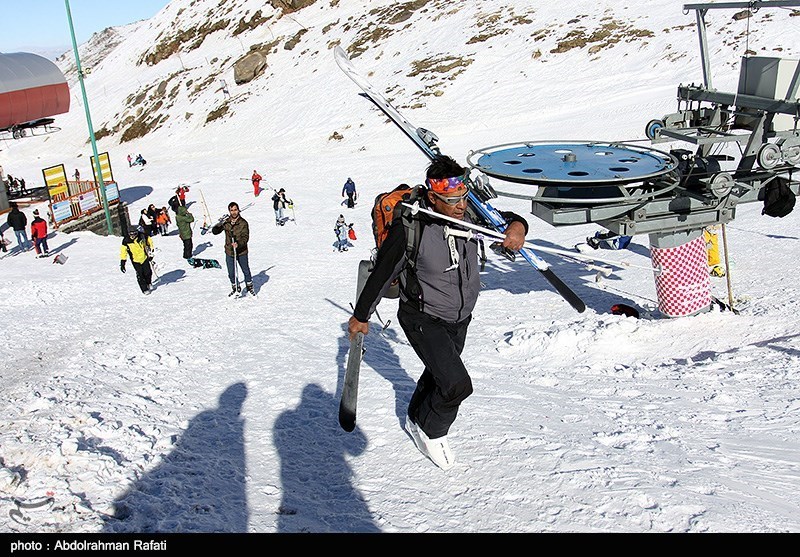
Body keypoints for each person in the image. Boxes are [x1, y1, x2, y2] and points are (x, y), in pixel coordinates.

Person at [347, 155, 528, 470]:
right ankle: (432, 432)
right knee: (457, 384)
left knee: (438, 373)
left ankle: (417, 416)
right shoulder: (411, 228)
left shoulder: (471, 213)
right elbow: (381, 275)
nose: (460, 206)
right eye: (451, 200)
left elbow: (510, 220)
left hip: (460, 316)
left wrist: (516, 228)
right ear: (433, 197)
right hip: (422, 316)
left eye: (463, 198)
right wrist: (361, 316)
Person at [212, 202, 254, 295]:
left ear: (238, 210)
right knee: (231, 273)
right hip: (229, 251)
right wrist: (219, 224)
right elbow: (215, 232)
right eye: (232, 210)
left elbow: (245, 237)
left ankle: (249, 287)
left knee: (245, 270)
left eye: (235, 210)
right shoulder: (226, 222)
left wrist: (238, 244)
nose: (234, 212)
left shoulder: (243, 223)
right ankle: (235, 287)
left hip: (241, 251)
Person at [120, 225, 155, 295]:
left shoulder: (142, 236)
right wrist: (123, 262)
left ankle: (148, 282)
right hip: (135, 260)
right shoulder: (126, 241)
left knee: (148, 272)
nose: (133, 236)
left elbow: (149, 241)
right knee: (140, 275)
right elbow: (123, 251)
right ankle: (144, 289)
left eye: (134, 234)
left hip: (144, 257)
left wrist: (151, 250)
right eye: (131, 234)